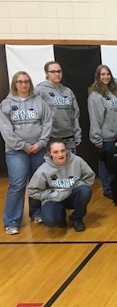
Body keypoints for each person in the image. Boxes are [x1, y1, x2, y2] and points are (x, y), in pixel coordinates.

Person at [1, 71, 52, 235]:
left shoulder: (39, 102)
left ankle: (36, 212)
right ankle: (11, 221)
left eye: (26, 82)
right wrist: (23, 146)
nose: (23, 85)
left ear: (30, 84)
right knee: (17, 185)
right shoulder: (7, 104)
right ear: (14, 84)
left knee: (38, 183)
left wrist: (41, 143)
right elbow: (6, 131)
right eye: (20, 82)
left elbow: (47, 123)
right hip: (16, 151)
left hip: (38, 149)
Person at [27, 139, 94, 232]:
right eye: (56, 152)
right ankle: (60, 215)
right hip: (54, 198)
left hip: (71, 195)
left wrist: (76, 185)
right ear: (49, 153)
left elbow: (89, 176)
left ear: (66, 150)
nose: (60, 154)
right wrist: (51, 195)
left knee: (85, 190)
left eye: (63, 150)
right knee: (50, 221)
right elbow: (32, 191)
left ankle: (77, 218)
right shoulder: (43, 170)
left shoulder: (77, 161)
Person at [88, 64, 117, 199]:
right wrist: (96, 138)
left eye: (108, 74)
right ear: (97, 77)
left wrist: (114, 80)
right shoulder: (95, 95)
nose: (106, 77)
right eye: (102, 74)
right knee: (106, 163)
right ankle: (108, 188)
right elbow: (95, 118)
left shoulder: (116, 91)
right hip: (106, 136)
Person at [35, 61, 81, 154]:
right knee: (54, 166)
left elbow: (75, 114)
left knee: (70, 164)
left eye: (59, 71)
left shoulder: (67, 91)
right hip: (50, 136)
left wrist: (77, 134)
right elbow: (36, 114)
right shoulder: (40, 90)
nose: (57, 74)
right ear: (46, 73)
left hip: (69, 135)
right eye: (53, 71)